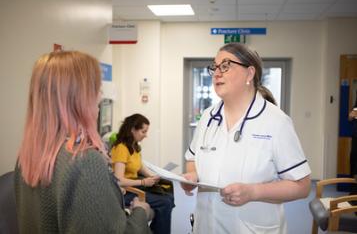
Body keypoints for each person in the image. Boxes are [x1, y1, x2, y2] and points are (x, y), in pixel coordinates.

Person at [15, 51, 152, 234]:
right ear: (79, 97)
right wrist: (140, 212)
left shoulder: (26, 156)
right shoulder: (84, 162)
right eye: (96, 88)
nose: (100, 96)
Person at [181, 43, 311, 234]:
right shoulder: (208, 118)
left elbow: (302, 186)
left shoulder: (276, 122)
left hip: (252, 227)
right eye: (214, 67)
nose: (217, 73)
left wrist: (254, 192)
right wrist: (192, 176)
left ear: (249, 74)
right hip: (206, 225)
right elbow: (192, 159)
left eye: (225, 66)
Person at [111, 113, 175, 234]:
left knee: (169, 193)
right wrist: (143, 182)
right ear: (132, 130)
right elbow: (119, 179)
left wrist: (152, 176)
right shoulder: (121, 148)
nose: (146, 135)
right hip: (126, 191)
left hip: (135, 185)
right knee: (165, 202)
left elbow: (140, 166)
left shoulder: (133, 146)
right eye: (143, 131)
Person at [348, 95, 357, 201]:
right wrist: (351, 115)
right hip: (355, 137)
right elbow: (350, 118)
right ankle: (353, 193)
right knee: (353, 164)